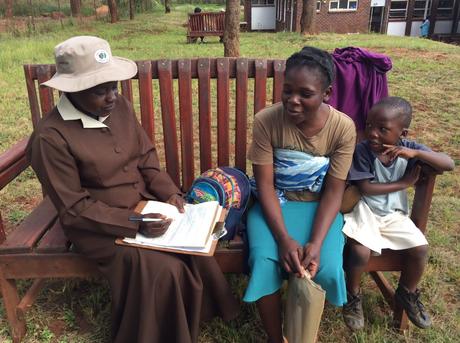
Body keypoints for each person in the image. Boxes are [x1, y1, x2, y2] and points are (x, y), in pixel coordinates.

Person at [26, 36, 238, 343]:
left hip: (147, 206)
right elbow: (74, 210)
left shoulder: (120, 107)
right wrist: (134, 224)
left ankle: (196, 314)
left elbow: (145, 156)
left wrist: (168, 194)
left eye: (114, 85)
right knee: (162, 268)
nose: (112, 96)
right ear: (70, 90)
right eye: (101, 90)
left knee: (193, 245)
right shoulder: (50, 137)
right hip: (98, 227)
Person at [243, 46, 356, 343]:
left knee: (326, 264)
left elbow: (334, 190)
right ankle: (273, 336)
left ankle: (303, 333)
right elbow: (265, 185)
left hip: (319, 208)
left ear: (327, 94)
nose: (293, 100)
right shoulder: (267, 121)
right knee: (265, 259)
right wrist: (283, 239)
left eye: (305, 94)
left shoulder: (342, 128)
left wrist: (316, 242)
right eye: (287, 90)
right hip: (273, 205)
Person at [341, 97, 454, 331]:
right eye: (370, 125)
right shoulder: (363, 151)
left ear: (402, 133)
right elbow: (366, 188)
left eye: (383, 129)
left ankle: (407, 293)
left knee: (420, 248)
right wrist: (403, 183)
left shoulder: (410, 149)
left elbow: (448, 163)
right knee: (360, 251)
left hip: (393, 214)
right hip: (364, 210)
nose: (373, 133)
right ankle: (352, 296)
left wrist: (416, 156)